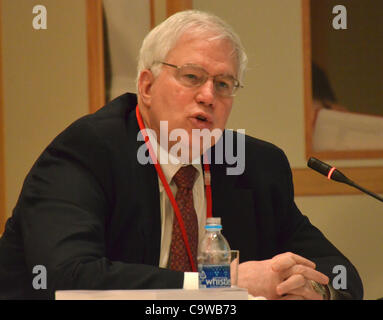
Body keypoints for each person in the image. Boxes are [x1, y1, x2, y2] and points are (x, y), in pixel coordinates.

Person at [0, 10, 363, 300]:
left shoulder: (254, 166)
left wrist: (312, 290)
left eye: (223, 84)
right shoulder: (87, 151)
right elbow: (67, 276)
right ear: (146, 86)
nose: (209, 95)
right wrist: (221, 283)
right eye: (192, 77)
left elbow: (341, 272)